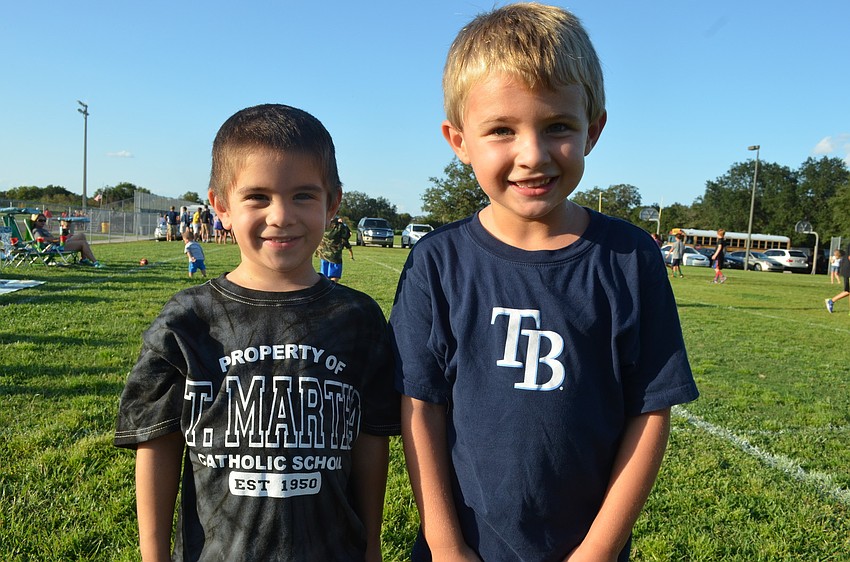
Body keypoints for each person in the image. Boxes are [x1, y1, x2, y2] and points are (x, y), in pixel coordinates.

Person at [389, 5, 699, 561]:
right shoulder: (436, 263)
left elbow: (651, 412)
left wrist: (599, 549)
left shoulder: (630, 259)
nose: (532, 155)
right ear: (458, 140)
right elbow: (420, 407)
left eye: (557, 126)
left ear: (594, 128)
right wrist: (444, 543)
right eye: (501, 130)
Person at [114, 104, 399, 562]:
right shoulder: (188, 320)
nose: (281, 215)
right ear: (221, 206)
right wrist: (154, 555)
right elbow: (157, 443)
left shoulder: (358, 318)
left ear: (333, 202)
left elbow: (371, 441)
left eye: (304, 195)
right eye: (258, 197)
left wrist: (371, 547)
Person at [30, 213, 103, 268]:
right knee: (82, 243)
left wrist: (63, 238)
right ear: (35, 221)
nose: (43, 222)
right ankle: (95, 262)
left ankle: (83, 259)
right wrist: (57, 239)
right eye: (40, 220)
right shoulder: (36, 230)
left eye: (44, 220)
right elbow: (39, 239)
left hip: (58, 244)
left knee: (81, 235)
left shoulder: (43, 230)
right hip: (53, 247)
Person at [316, 218, 346, 282]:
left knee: (324, 272)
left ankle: (324, 288)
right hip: (334, 252)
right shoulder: (339, 226)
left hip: (323, 252)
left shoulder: (320, 222)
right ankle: (331, 289)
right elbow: (346, 235)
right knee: (334, 274)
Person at [825, 249, 850, 313]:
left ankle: (831, 301)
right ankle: (831, 301)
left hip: (846, 269)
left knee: (848, 291)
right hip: (848, 270)